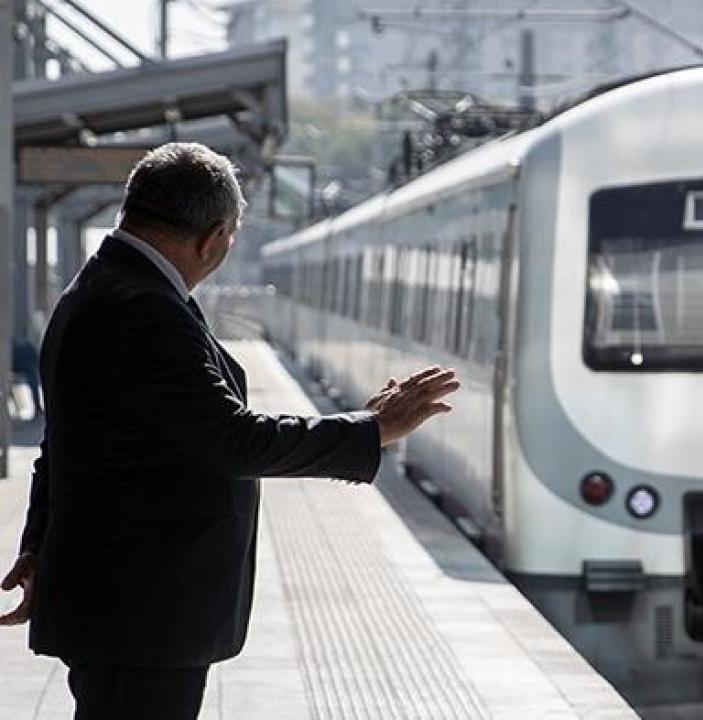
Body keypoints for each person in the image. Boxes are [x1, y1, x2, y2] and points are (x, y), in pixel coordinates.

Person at [0, 143, 459, 720]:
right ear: (215, 238)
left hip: (126, 603)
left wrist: (38, 545)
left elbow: (64, 444)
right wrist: (372, 430)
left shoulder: (106, 287)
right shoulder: (142, 306)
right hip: (143, 610)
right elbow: (231, 439)